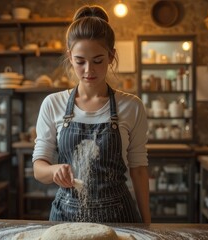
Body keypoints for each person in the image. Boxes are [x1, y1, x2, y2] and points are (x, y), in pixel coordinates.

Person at [32, 5, 151, 224]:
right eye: (80, 61)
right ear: (70, 57)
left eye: (98, 60)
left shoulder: (131, 106)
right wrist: (54, 170)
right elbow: (39, 168)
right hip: (65, 219)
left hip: (119, 218)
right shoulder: (52, 104)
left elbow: (139, 170)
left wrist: (147, 224)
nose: (89, 70)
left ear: (111, 56)